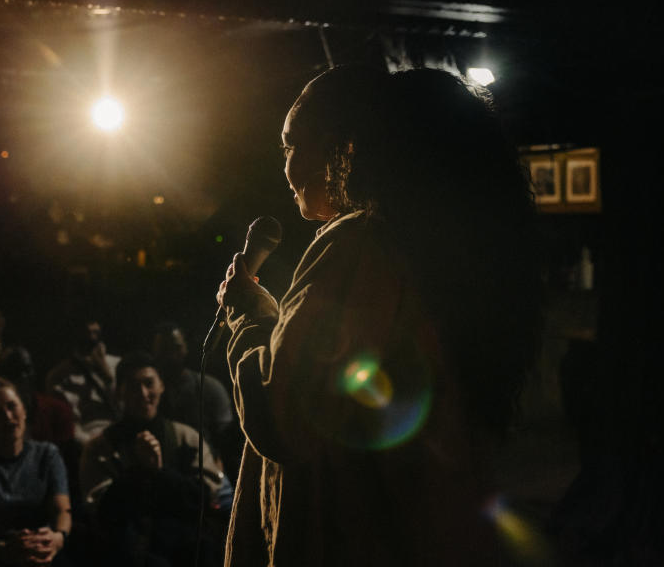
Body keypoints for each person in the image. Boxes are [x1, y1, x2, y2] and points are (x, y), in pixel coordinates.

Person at [216, 66, 542, 566]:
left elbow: (284, 418)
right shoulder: (418, 248)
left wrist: (249, 320)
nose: (286, 169)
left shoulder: (358, 243)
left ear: (343, 150)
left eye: (292, 146)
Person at [80, 353, 226, 567]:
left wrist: (159, 472)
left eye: (149, 384)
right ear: (119, 392)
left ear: (161, 386)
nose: (142, 394)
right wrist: (140, 473)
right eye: (132, 386)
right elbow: (102, 512)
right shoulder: (99, 448)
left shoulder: (187, 437)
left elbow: (203, 499)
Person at [0, 377, 72, 566]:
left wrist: (57, 538)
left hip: (44, 549)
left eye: (12, 406)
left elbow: (62, 509)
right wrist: (3, 549)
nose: (8, 416)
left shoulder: (47, 455)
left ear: (25, 410)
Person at [151, 321, 234, 454]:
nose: (171, 355)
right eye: (164, 349)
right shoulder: (147, 391)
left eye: (176, 347)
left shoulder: (210, 387)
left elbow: (225, 435)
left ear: (186, 348)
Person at [45, 319, 120, 445]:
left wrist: (107, 374)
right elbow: (65, 421)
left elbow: (124, 408)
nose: (90, 335)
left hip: (118, 434)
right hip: (83, 441)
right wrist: (89, 443)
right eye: (85, 331)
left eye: (94, 331)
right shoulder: (58, 376)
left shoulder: (116, 365)